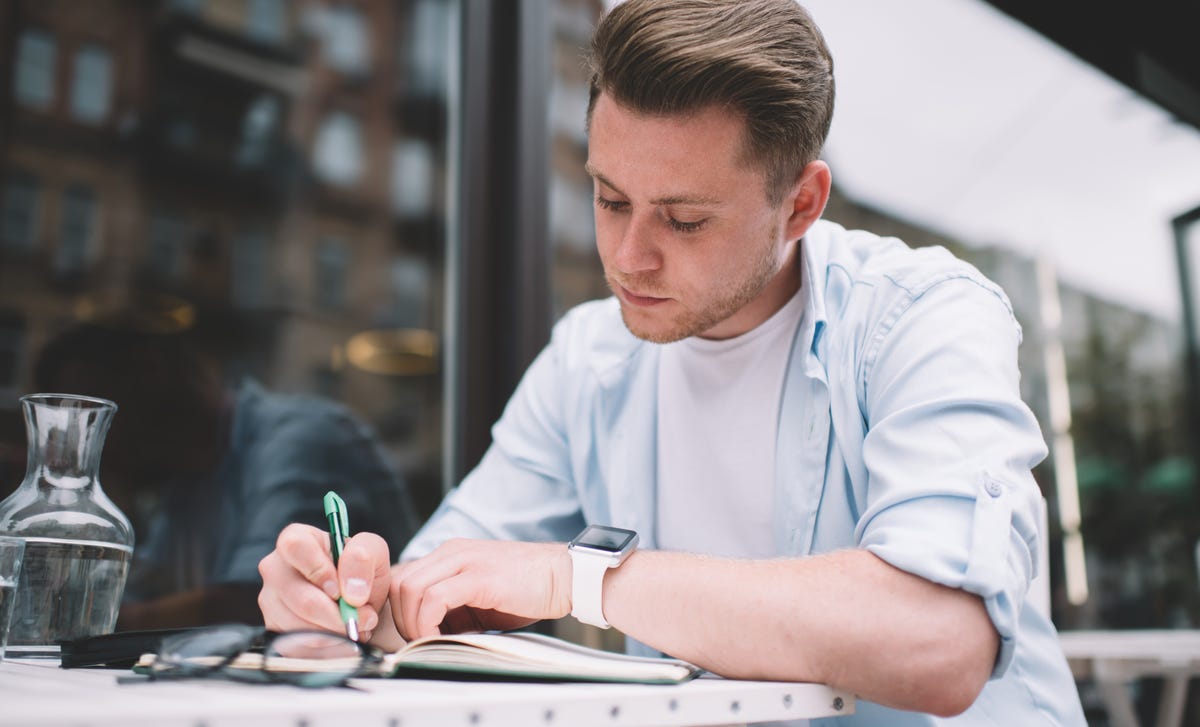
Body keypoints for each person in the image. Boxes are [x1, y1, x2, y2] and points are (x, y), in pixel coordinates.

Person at [257, 1, 1086, 723]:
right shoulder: (589, 357)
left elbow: (938, 641)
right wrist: (349, 604)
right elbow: (433, 595)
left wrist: (581, 581)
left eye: (683, 220)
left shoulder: (923, 315)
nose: (628, 256)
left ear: (800, 203)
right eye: (609, 198)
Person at [33, 322, 419, 629]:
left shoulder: (303, 436)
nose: (102, 446)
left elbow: (249, 600)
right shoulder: (185, 482)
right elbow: (144, 592)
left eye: (105, 418)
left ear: (150, 373)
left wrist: (80, 621)